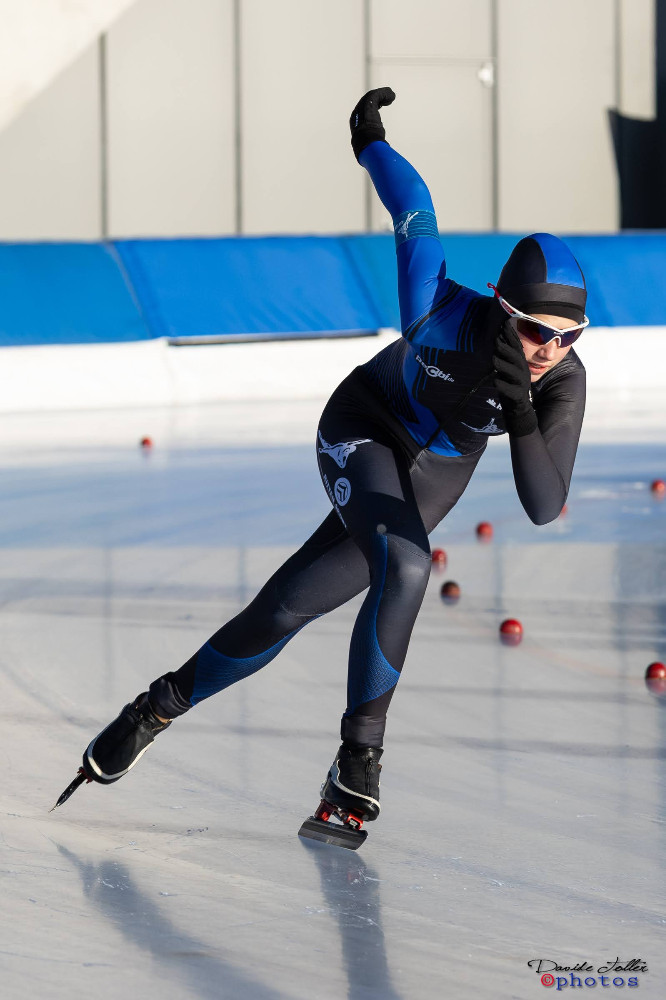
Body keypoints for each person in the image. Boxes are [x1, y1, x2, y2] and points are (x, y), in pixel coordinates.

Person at [58, 89, 588, 832]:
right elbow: (415, 206)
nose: (550, 349)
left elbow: (543, 505)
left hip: (434, 474)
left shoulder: (562, 381)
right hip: (364, 426)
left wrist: (523, 410)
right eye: (536, 329)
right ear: (503, 305)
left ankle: (155, 707)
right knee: (408, 566)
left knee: (287, 607)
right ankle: (357, 759)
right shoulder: (437, 309)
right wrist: (371, 142)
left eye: (570, 335)